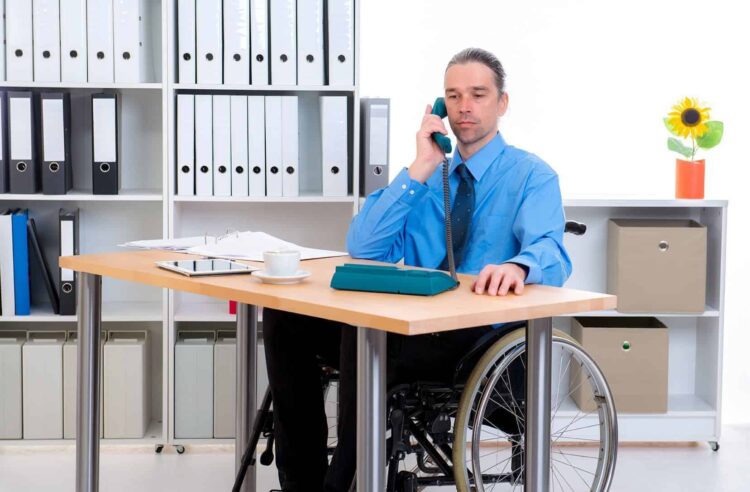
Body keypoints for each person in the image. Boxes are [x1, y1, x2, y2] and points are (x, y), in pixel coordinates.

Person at [262, 47, 573, 492]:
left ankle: (341, 483)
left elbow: (554, 252)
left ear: (501, 103)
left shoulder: (531, 176)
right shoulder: (426, 179)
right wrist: (421, 166)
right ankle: (302, 481)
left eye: (478, 94)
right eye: (454, 95)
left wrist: (519, 266)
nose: (465, 106)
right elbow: (364, 246)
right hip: (414, 330)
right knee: (286, 319)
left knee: (364, 332)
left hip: (478, 338)